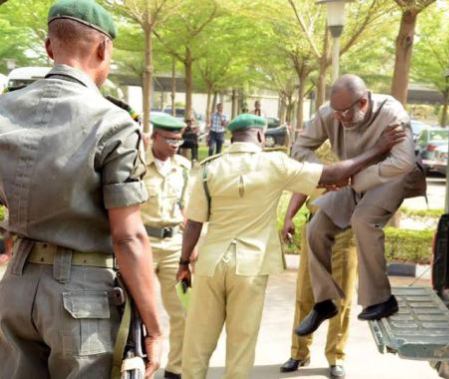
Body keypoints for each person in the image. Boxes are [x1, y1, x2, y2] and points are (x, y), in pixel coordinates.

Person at [0, 1, 163, 378]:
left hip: (15, 289)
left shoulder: (5, 110)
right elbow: (129, 237)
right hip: (83, 298)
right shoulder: (113, 122)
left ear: (48, 47)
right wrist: (155, 327)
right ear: (102, 49)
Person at [176, 114, 407, 379]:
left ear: (231, 137)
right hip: (249, 269)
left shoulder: (209, 169)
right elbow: (332, 174)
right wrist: (379, 149)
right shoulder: (274, 164)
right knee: (241, 344)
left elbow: (193, 224)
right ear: (261, 136)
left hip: (209, 265)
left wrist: (184, 263)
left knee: (197, 343)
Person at [292, 74, 426, 337]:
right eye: (335, 111)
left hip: (391, 177)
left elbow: (403, 162)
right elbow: (299, 149)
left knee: (363, 220)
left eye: (345, 112)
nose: (339, 118)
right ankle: (325, 302)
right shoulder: (328, 113)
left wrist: (353, 176)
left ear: (363, 102)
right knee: (316, 227)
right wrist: (328, 173)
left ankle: (381, 299)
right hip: (352, 177)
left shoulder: (391, 113)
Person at [280, 195, 356, 379]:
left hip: (346, 230)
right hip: (314, 227)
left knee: (341, 298)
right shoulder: (313, 164)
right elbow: (302, 188)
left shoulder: (359, 165)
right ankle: (299, 353)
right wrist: (289, 216)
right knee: (305, 293)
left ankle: (336, 357)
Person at [142, 113, 193, 379]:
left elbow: (189, 210)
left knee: (183, 310)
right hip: (143, 244)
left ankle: (176, 369)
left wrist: (191, 249)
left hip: (174, 245)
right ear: (155, 138)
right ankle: (139, 363)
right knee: (137, 308)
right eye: (170, 139)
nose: (176, 144)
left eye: (179, 139)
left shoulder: (183, 167)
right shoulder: (137, 165)